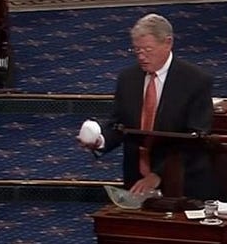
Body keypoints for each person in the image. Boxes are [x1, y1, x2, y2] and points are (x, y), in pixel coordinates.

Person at [79, 13, 217, 199]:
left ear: (168, 43)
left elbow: (196, 139)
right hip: (136, 183)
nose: (141, 57)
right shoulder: (128, 79)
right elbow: (119, 125)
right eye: (137, 50)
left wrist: (158, 175)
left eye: (148, 50)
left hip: (183, 183)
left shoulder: (195, 81)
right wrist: (100, 141)